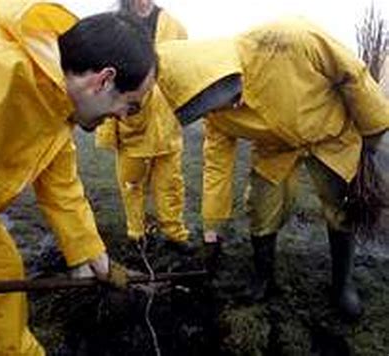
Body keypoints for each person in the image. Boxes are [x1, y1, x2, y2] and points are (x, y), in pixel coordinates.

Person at [0, 0, 156, 354]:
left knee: (0, 268)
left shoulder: (56, 100)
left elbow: (62, 188)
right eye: (131, 105)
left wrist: (90, 257)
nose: (124, 117)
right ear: (105, 80)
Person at [156, 17, 389, 319]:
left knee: (342, 207)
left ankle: (342, 285)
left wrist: (373, 131)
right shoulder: (215, 116)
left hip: (330, 135)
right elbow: (216, 167)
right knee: (261, 208)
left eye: (227, 94)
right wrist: (212, 229)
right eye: (214, 106)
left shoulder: (288, 37)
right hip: (275, 149)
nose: (233, 107)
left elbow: (353, 75)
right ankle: (264, 278)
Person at [95, 0, 193, 252]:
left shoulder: (173, 25)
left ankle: (175, 234)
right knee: (132, 183)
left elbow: (184, 65)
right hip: (131, 118)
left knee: (170, 184)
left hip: (167, 120)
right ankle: (136, 234)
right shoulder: (113, 25)